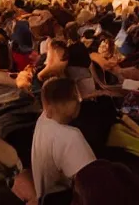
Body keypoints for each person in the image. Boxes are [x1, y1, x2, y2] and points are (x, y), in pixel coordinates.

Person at [29, 77, 96, 205]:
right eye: (76, 97)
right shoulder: (69, 137)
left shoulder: (43, 120)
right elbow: (92, 186)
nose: (79, 100)